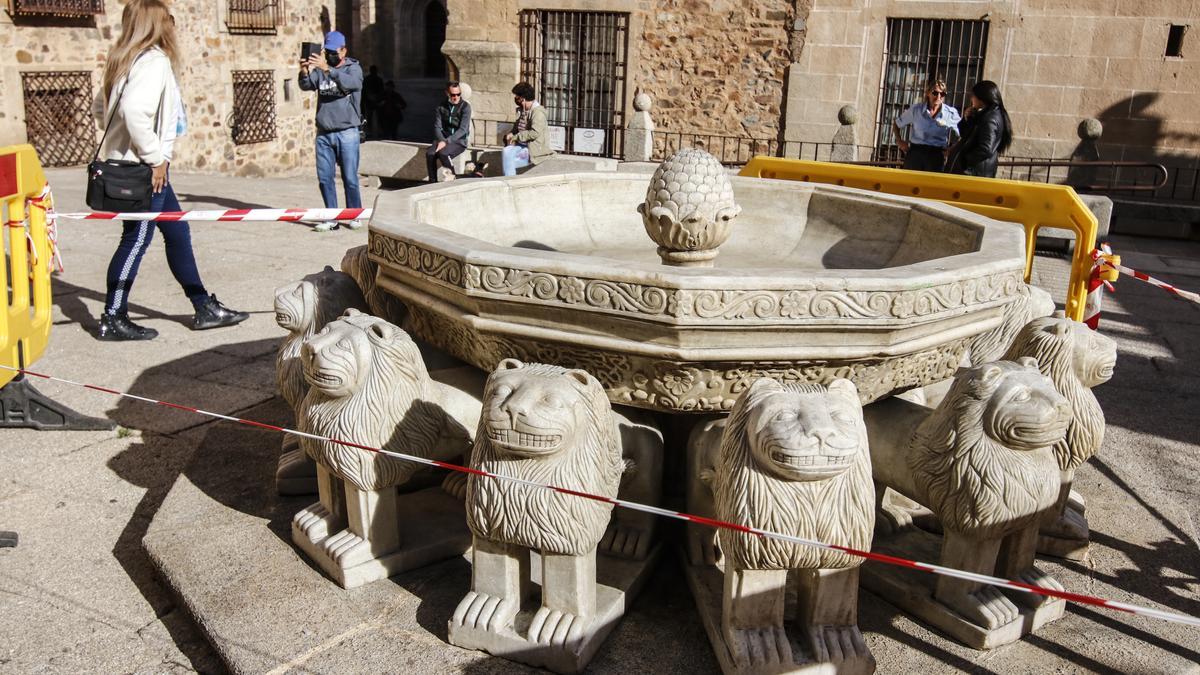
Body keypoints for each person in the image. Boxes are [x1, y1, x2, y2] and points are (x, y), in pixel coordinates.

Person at [92, 0, 247, 342]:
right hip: (146, 170)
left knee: (177, 232)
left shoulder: (123, 58)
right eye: (169, 21)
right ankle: (113, 315)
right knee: (137, 239)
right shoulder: (154, 60)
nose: (174, 27)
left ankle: (202, 305)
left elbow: (101, 108)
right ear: (156, 25)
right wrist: (155, 156)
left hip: (142, 167)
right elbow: (133, 111)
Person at [299, 30, 363, 232]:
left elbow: (353, 84)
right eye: (326, 52)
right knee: (325, 178)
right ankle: (331, 217)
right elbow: (307, 85)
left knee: (350, 178)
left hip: (347, 131)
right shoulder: (320, 69)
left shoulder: (354, 68)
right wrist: (304, 71)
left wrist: (329, 69)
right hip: (324, 132)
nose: (329, 55)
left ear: (343, 50)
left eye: (333, 51)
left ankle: (354, 214)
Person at [892, 76, 960, 172]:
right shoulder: (916, 110)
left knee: (933, 185)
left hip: (936, 155)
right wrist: (899, 141)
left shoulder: (950, 113)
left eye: (942, 94)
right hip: (916, 153)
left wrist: (952, 149)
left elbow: (964, 134)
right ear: (928, 93)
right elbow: (896, 124)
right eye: (935, 93)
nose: (938, 97)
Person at [948, 80, 1013, 178]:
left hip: (973, 172)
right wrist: (967, 118)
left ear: (981, 98)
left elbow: (985, 149)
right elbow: (965, 135)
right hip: (970, 172)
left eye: (973, 96)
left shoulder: (990, 118)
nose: (971, 99)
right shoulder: (984, 114)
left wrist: (964, 160)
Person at [501, 82, 554, 176]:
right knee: (507, 153)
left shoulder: (538, 113)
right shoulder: (522, 110)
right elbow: (517, 128)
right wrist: (512, 133)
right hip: (522, 147)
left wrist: (516, 137)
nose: (515, 99)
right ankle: (510, 180)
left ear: (523, 98)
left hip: (533, 150)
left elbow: (534, 133)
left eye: (517, 97)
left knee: (509, 158)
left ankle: (510, 182)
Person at [426, 81, 472, 182]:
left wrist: (446, 142)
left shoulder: (465, 107)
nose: (456, 97)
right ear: (447, 93)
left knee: (443, 153)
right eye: (453, 95)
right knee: (430, 153)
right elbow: (437, 127)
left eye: (458, 94)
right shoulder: (441, 106)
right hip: (443, 138)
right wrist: (442, 140)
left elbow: (463, 130)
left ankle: (452, 178)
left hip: (459, 141)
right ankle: (432, 182)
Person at [361, 65, 384, 137]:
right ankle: (378, 131)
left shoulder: (367, 79)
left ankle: (371, 131)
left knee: (371, 117)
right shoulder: (378, 79)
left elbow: (364, 91)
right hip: (374, 101)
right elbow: (381, 91)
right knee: (377, 117)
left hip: (370, 101)